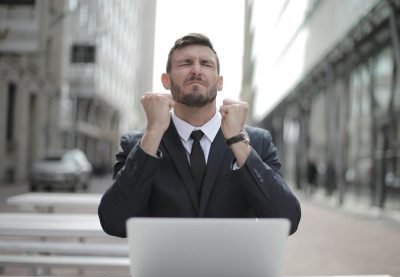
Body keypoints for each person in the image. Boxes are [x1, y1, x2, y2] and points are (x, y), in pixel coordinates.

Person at [98, 33, 301, 238]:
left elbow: (286, 220)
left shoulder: (257, 142)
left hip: (234, 270)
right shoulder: (138, 144)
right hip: (163, 270)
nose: (196, 70)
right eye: (186, 63)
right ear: (165, 80)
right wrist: (154, 132)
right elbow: (114, 222)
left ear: (220, 82)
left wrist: (237, 141)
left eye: (206, 64)